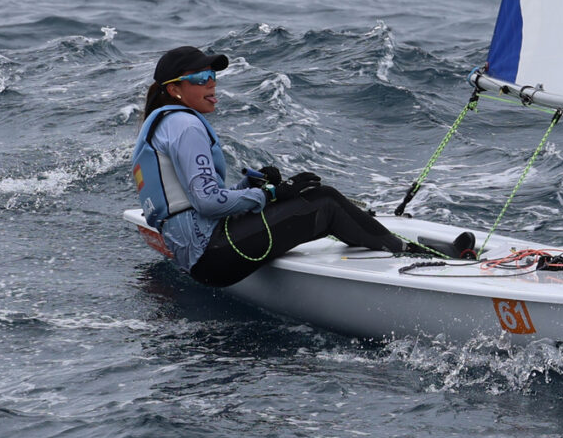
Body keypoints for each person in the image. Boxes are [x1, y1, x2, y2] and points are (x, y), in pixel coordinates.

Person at [131, 45, 475, 287]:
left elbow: (195, 203)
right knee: (323, 201)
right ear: (174, 89)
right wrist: (269, 194)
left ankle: (386, 242)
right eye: (202, 77)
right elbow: (207, 203)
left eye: (214, 77)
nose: (213, 84)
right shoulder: (187, 127)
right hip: (213, 255)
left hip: (195, 249)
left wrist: (254, 189)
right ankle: (424, 255)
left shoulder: (166, 124)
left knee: (305, 193)